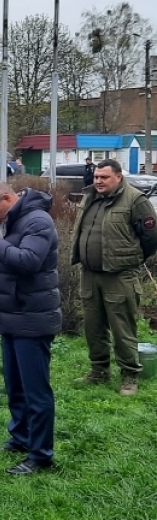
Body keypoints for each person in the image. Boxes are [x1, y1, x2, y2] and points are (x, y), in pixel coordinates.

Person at [0, 181, 61, 475]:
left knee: (35, 391)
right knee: (15, 386)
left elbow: (29, 261)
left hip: (32, 318)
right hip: (13, 317)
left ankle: (41, 455)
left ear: (7, 197)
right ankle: (21, 437)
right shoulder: (14, 220)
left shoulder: (38, 220)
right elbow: (11, 260)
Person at [72, 159, 157, 396]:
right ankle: (99, 370)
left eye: (104, 177)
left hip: (120, 275)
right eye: (96, 177)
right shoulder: (90, 197)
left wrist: (130, 258)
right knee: (93, 325)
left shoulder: (135, 200)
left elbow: (151, 237)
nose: (98, 181)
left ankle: (130, 375)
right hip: (90, 273)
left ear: (118, 177)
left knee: (122, 327)